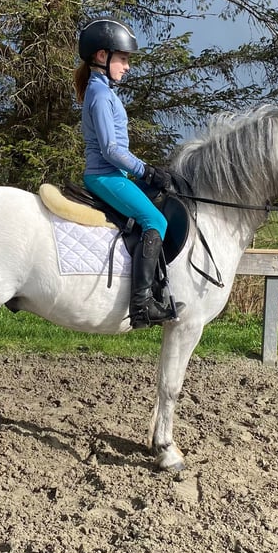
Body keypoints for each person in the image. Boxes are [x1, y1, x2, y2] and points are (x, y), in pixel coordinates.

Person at [73, 16, 179, 329]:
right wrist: (147, 171)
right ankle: (142, 305)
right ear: (101, 56)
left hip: (115, 175)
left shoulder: (102, 90)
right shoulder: (102, 95)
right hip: (105, 176)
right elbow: (111, 150)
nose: (127, 66)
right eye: (123, 58)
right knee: (155, 220)